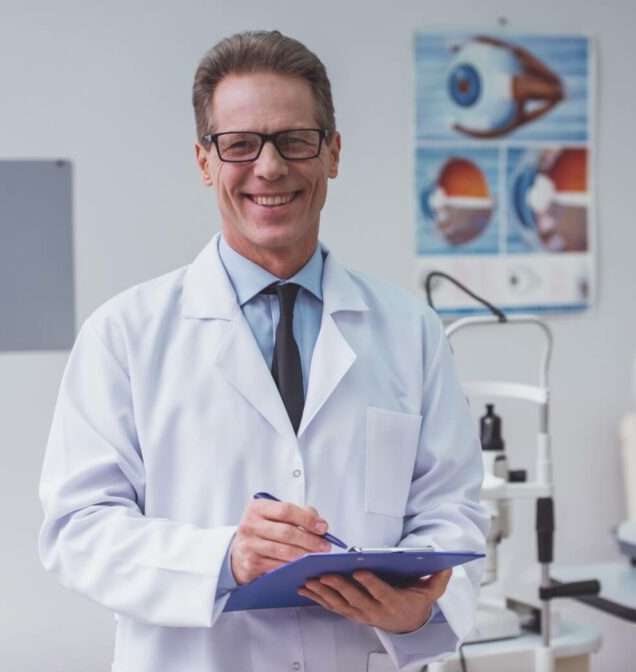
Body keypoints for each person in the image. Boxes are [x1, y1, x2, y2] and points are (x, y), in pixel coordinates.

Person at [38, 30, 487, 672]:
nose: (269, 168)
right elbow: (76, 531)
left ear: (332, 153)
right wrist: (225, 558)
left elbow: (453, 508)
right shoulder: (124, 335)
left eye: (294, 140)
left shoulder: (409, 330)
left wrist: (422, 611)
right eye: (239, 144)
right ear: (204, 162)